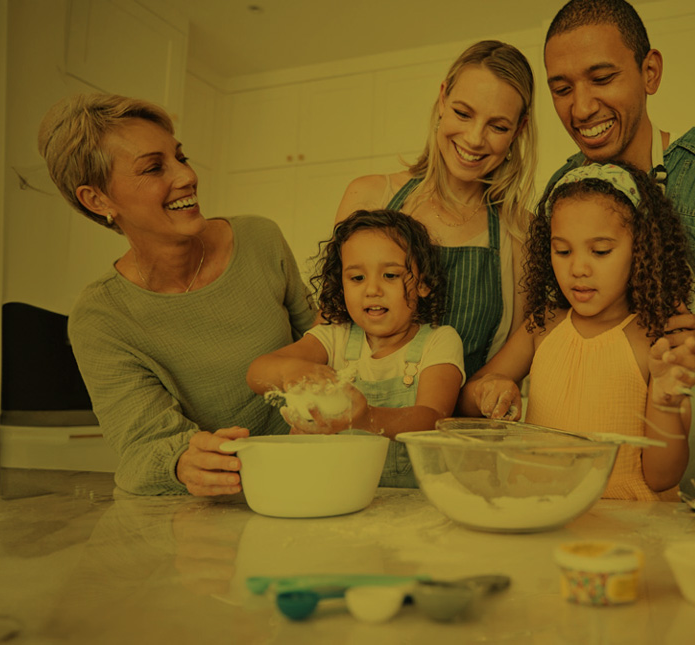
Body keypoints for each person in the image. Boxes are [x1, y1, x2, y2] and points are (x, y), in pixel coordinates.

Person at [538, 0, 695, 494]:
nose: (581, 108)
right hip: (576, 484)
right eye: (562, 89)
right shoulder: (561, 192)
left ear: (650, 71)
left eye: (601, 78)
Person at [39, 93, 316, 497]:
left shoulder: (261, 239)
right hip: (221, 504)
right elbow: (143, 448)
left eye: (180, 157)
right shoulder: (102, 317)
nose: (187, 176)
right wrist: (183, 461)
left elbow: (326, 343)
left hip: (316, 468)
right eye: (154, 168)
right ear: (98, 200)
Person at [460, 162, 695, 501]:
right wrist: (491, 389)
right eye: (562, 251)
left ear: (643, 249)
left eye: (600, 251)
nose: (578, 268)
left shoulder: (657, 342)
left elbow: (663, 478)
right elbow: (466, 398)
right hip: (540, 520)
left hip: (625, 533)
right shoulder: (542, 326)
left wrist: (666, 402)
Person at [333, 40, 536, 377]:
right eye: (463, 113)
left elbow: (510, 359)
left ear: (520, 129)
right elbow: (331, 322)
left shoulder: (520, 230)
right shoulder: (369, 194)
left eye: (498, 126)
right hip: (355, 423)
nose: (473, 139)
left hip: (461, 426)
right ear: (442, 98)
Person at [245, 209, 464, 488]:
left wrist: (367, 417)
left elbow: (433, 420)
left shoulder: (439, 341)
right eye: (357, 278)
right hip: (340, 492)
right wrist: (294, 371)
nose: (372, 289)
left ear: (422, 284)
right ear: (341, 285)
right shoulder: (334, 338)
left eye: (390, 275)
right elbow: (257, 372)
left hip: (414, 502)